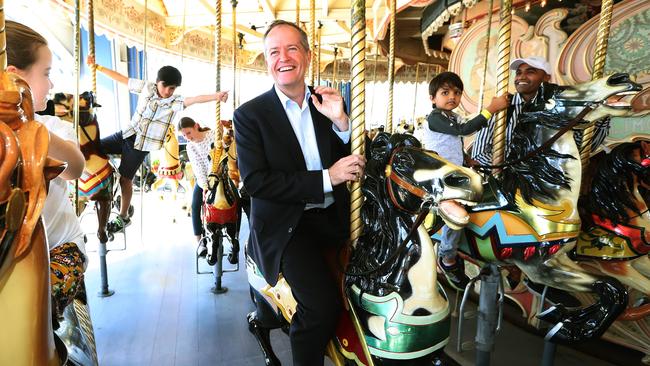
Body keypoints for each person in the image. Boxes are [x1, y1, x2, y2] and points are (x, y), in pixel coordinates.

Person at [233, 20, 366, 366]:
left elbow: (353, 162)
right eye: (274, 52)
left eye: (292, 48)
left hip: (334, 215)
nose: (283, 58)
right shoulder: (250, 115)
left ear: (307, 56)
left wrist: (342, 124)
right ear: (266, 61)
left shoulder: (328, 103)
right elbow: (257, 181)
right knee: (320, 305)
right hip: (287, 226)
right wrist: (327, 177)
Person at [87, 55, 229, 233]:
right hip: (127, 134)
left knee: (126, 179)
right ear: (157, 82)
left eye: (173, 88)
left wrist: (216, 96)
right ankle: (101, 187)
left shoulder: (173, 102)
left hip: (141, 146)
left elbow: (195, 99)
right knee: (92, 148)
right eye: (166, 87)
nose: (169, 91)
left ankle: (123, 216)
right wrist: (98, 67)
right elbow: (123, 79)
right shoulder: (146, 87)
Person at [6, 20, 87, 317]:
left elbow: (75, 167)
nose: (52, 84)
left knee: (32, 305)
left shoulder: (52, 126)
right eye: (47, 73)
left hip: (60, 249)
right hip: (9, 259)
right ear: (15, 79)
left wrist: (32, 129)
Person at [422, 71, 509, 290]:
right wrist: (491, 109)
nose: (452, 96)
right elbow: (464, 130)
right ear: (433, 98)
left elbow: (453, 144)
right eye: (445, 92)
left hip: (454, 171)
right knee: (457, 211)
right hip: (440, 174)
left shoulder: (451, 117)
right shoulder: (435, 117)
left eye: (457, 92)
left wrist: (468, 159)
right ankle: (447, 256)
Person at [472, 56, 610, 166]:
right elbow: (479, 153)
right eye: (518, 73)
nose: (521, 77)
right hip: (507, 176)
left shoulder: (559, 107)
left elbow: (583, 146)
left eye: (530, 72)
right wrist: (513, 168)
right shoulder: (502, 107)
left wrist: (602, 114)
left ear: (546, 77)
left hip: (548, 178)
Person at [178, 117, 215, 255]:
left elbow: (218, 156)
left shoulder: (212, 135)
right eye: (184, 135)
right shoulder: (190, 146)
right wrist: (205, 185)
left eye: (189, 133)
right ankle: (199, 242)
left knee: (237, 198)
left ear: (196, 126)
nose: (188, 137)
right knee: (195, 205)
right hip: (203, 179)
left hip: (219, 175)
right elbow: (198, 166)